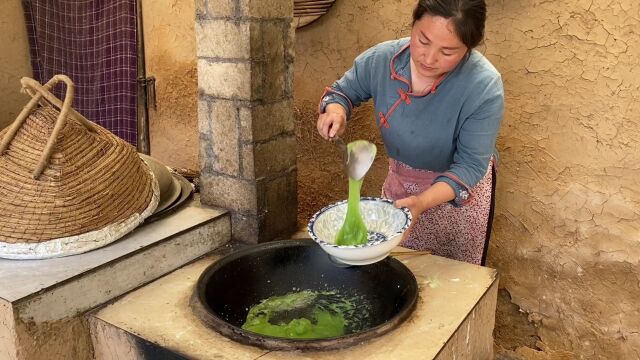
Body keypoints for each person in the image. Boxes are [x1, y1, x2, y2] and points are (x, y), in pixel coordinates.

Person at [316, 0, 504, 265]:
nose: (429, 58)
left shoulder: (483, 86)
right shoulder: (383, 60)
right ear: (413, 24)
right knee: (399, 265)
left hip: (456, 194)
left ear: (469, 48)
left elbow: (471, 165)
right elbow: (342, 91)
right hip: (402, 184)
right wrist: (335, 110)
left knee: (450, 277)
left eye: (448, 51)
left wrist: (422, 202)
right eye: (423, 40)